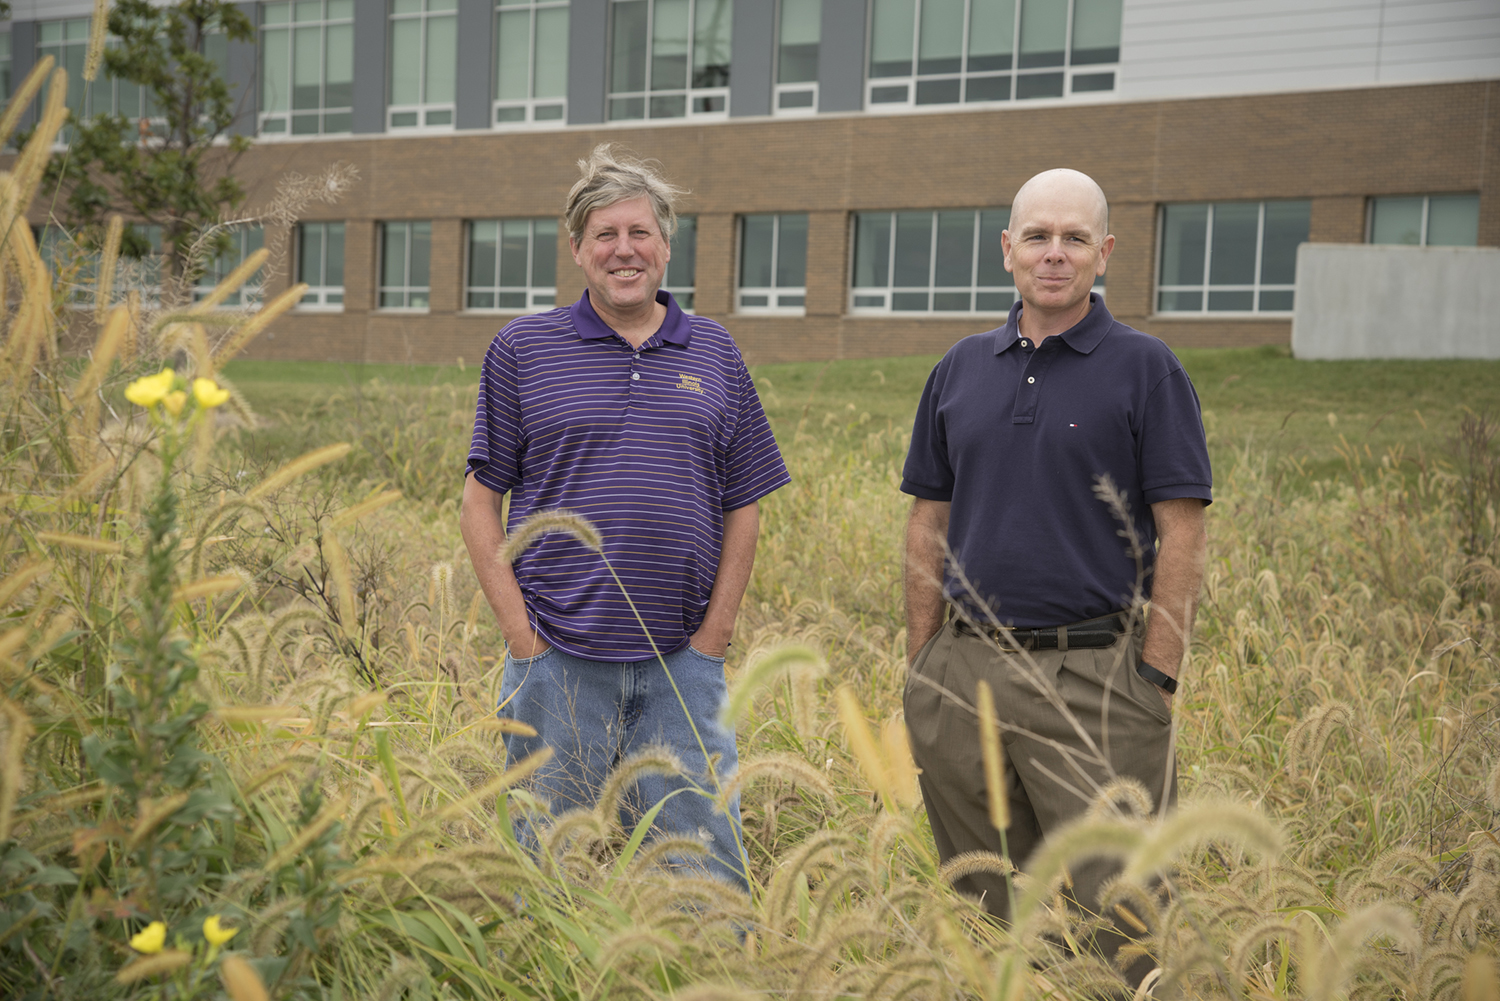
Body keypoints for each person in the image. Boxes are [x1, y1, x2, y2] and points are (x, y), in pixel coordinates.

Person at [900, 168, 1211, 982]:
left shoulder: (1148, 369)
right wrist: (925, 663)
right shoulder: (959, 368)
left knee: (1124, 920)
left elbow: (1183, 531)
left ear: (1104, 253)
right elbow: (928, 520)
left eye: (1075, 238)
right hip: (964, 676)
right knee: (987, 912)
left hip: (1097, 676)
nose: (1054, 253)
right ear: (1008, 248)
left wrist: (1156, 677)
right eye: (1037, 235)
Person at [461, 145, 790, 890]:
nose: (624, 249)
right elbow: (480, 501)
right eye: (604, 234)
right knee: (544, 872)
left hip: (682, 667)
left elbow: (745, 501)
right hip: (558, 662)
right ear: (577, 248)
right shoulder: (522, 349)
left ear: (666, 244)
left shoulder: (715, 351)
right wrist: (523, 639)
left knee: (705, 875)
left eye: (640, 232)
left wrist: (714, 639)